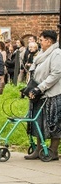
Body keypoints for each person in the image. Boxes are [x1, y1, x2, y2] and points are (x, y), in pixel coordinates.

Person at [25, 30, 61, 160]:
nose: (39, 42)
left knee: (53, 123)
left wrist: (40, 88)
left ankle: (53, 151)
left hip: (52, 93)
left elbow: (56, 74)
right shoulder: (42, 54)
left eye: (41, 40)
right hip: (39, 92)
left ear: (49, 41)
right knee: (38, 121)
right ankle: (39, 149)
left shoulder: (56, 54)